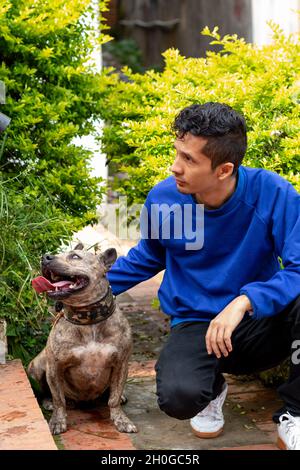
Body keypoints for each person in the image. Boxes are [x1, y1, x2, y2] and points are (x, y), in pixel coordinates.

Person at [107, 102, 300, 450]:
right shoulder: (166, 198)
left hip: (260, 324)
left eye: (189, 160)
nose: (175, 167)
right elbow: (148, 257)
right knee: (178, 398)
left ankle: (296, 414)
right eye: (177, 153)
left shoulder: (273, 193)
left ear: (224, 169)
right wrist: (91, 289)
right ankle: (212, 389)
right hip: (196, 322)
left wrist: (246, 300)